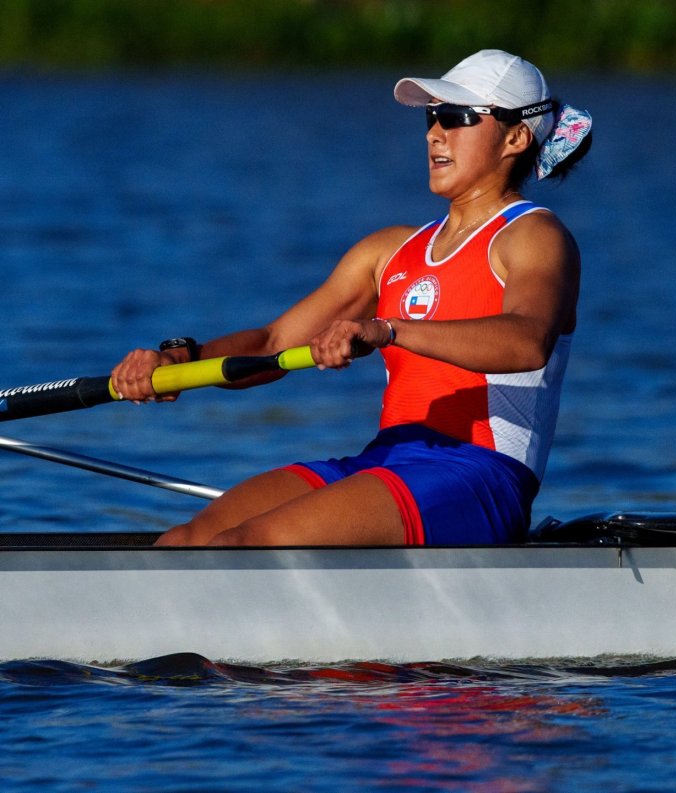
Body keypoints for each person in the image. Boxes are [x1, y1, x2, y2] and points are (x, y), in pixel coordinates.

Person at [111, 49, 593, 547]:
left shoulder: (534, 236)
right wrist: (179, 358)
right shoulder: (387, 252)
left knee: (244, 545)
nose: (434, 134)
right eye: (432, 117)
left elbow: (526, 341)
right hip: (385, 459)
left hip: (480, 476)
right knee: (182, 543)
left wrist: (387, 330)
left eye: (457, 117)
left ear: (516, 138)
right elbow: (273, 343)